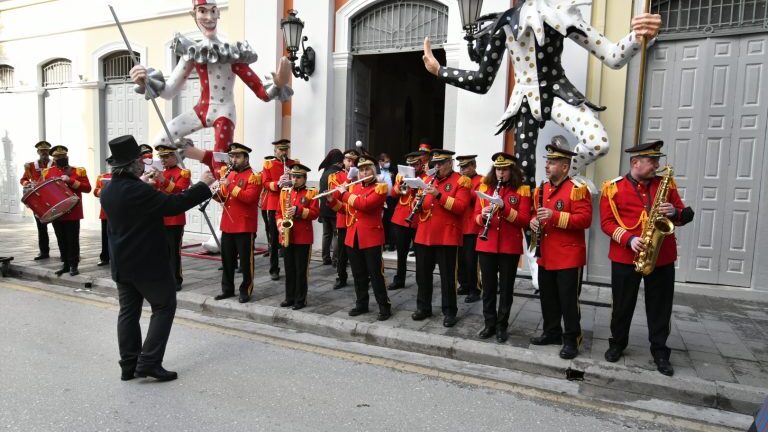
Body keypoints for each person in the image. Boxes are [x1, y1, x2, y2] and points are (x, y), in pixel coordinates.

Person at [422, 2, 661, 186]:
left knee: (597, 143)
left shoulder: (561, 15)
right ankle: (530, 238)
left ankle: (557, 185)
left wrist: (637, 37)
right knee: (524, 179)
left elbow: (612, 56)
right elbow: (482, 81)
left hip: (557, 90)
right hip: (524, 101)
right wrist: (440, 71)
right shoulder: (504, 26)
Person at [128, 0, 292, 173]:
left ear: (219, 14)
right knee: (161, 141)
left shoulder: (230, 53)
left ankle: (199, 162)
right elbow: (169, 92)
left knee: (221, 164)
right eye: (202, 11)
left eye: (213, 11)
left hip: (225, 113)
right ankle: (159, 180)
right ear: (194, 15)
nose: (209, 17)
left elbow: (261, 92)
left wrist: (278, 83)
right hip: (201, 110)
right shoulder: (193, 52)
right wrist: (145, 80)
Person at [101, 135, 214, 382]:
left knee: (128, 312)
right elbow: (174, 204)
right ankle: (149, 362)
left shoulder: (109, 189)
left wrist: (144, 185)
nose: (145, 163)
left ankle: (128, 365)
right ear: (135, 165)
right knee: (164, 306)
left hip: (122, 262)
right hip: (147, 263)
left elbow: (136, 201)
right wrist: (203, 185)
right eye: (141, 160)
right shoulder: (138, 190)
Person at [600, 140, 686, 376]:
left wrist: (676, 212)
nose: (657, 165)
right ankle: (617, 343)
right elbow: (606, 223)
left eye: (657, 160)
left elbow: (683, 214)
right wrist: (629, 239)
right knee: (622, 304)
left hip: (662, 256)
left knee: (660, 307)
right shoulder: (612, 187)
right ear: (635, 162)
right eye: (652, 161)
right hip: (626, 255)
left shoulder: (666, 185)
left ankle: (660, 351)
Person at [528, 138, 593, 359]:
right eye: (547, 162)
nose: (547, 166)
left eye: (552, 163)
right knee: (548, 297)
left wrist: (554, 216)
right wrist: (532, 221)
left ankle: (572, 339)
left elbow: (585, 219)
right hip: (546, 253)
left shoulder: (577, 189)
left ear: (565, 167)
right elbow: (534, 212)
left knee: (568, 301)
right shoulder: (542, 188)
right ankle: (551, 332)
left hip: (568, 255)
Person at [474, 153, 531, 343]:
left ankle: (501, 326)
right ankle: (489, 323)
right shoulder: (485, 187)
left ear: (511, 170)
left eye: (504, 169)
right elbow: (475, 218)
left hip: (509, 246)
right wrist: (483, 214)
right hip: (487, 243)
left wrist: (504, 208)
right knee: (488, 287)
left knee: (506, 289)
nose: (500, 173)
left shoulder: (522, 190)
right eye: (498, 169)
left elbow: (524, 220)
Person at [412, 149, 471, 327]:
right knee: (422, 275)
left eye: (440, 164)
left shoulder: (462, 181)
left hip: (447, 235)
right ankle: (424, 307)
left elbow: (460, 207)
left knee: (447, 277)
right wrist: (417, 202)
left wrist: (438, 194)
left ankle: (449, 311)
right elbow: (420, 206)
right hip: (424, 234)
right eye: (434, 164)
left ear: (449, 163)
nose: (436, 167)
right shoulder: (426, 180)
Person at [333, 156, 392, 320]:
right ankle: (362, 304)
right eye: (361, 170)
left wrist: (344, 194)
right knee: (358, 274)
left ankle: (384, 305)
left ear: (373, 171)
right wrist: (331, 200)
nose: (364, 172)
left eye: (367, 169)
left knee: (375, 274)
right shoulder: (354, 188)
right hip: (353, 236)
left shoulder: (380, 188)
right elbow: (346, 210)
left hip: (371, 237)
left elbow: (364, 205)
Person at [212, 143, 262, 303]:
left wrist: (230, 185)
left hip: (244, 226)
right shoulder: (229, 175)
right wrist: (214, 192)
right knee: (227, 260)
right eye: (232, 156)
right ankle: (227, 289)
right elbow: (224, 199)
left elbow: (249, 198)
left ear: (246, 158)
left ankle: (245, 289)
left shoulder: (254, 176)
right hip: (228, 224)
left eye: (237, 156)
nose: (234, 159)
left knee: (246, 262)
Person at [41, 145, 91, 276]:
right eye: (57, 157)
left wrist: (71, 180)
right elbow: (44, 191)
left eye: (63, 156)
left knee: (72, 240)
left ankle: (74, 265)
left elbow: (87, 188)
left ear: (67, 157)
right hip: (57, 212)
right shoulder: (47, 172)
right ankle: (65, 264)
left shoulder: (78, 171)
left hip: (73, 211)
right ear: (54, 159)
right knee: (61, 239)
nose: (61, 158)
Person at [277, 163, 319, 310]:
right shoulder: (285, 192)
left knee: (301, 270)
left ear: (305, 178)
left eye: (299, 177)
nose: (295, 179)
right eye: (293, 176)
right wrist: (280, 223)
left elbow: (315, 214)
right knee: (289, 269)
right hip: (287, 235)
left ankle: (300, 300)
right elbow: (278, 213)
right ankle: (289, 297)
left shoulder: (312, 192)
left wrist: (299, 210)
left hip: (303, 237)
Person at [152, 144, 191, 291]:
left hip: (174, 218)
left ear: (175, 157)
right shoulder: (159, 173)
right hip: (159, 217)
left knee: (174, 252)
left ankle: (176, 279)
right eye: (161, 157)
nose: (163, 159)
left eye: (166, 156)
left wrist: (163, 180)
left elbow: (179, 192)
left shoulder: (183, 173)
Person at [389, 152, 428, 289]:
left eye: (415, 164)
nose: (412, 167)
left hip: (418, 219)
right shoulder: (401, 175)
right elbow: (393, 194)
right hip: (401, 218)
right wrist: (400, 186)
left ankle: (421, 281)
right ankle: (399, 279)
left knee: (420, 254)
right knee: (401, 251)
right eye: (410, 164)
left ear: (421, 164)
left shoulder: (427, 177)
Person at [260, 139, 294, 280]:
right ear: (275, 151)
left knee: (291, 237)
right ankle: (274, 268)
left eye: (286, 149)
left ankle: (291, 267)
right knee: (274, 237)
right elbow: (265, 182)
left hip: (289, 202)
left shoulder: (293, 164)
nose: (284, 152)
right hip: (274, 204)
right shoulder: (269, 164)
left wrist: (291, 179)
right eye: (281, 150)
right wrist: (277, 183)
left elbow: (301, 179)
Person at [327, 149, 360, 289]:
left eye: (354, 160)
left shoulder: (363, 175)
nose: (351, 162)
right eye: (348, 159)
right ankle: (341, 277)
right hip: (343, 218)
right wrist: (348, 180)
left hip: (358, 219)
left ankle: (362, 277)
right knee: (342, 252)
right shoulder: (336, 176)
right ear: (343, 161)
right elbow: (334, 196)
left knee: (359, 252)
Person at [456, 154, 484, 303]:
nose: (463, 170)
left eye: (466, 167)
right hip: (459, 225)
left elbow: (475, 198)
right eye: (461, 167)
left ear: (474, 166)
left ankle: (475, 289)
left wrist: (464, 186)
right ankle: (464, 284)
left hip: (472, 226)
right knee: (460, 259)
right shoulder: (459, 180)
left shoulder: (481, 180)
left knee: (472, 260)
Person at [20, 140, 53, 260]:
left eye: (46, 151)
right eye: (42, 151)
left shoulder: (54, 163)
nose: (44, 153)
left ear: (49, 152)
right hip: (38, 200)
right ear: (38, 152)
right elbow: (23, 179)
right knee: (41, 227)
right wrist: (27, 183)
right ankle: (44, 252)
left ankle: (64, 253)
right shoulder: (31, 166)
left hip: (53, 198)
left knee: (59, 227)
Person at [318, 149, 344, 265]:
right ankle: (336, 259)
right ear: (339, 161)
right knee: (336, 234)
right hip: (334, 207)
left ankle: (325, 258)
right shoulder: (338, 173)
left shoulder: (325, 172)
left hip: (323, 207)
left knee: (326, 234)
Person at [93, 170, 113, 266]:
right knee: (105, 236)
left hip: (120, 211)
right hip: (106, 211)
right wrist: (100, 191)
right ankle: (105, 257)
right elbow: (96, 191)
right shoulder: (103, 176)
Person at [378, 153, 396, 251]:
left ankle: (391, 243)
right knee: (382, 221)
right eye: (386, 161)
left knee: (391, 220)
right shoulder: (375, 170)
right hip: (380, 198)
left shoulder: (392, 169)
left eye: (389, 161)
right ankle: (382, 243)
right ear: (380, 162)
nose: (388, 163)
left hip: (390, 198)